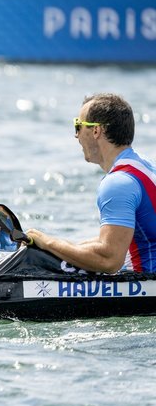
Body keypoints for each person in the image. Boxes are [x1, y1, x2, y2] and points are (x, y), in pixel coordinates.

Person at [26, 93, 156, 274]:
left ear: (96, 131)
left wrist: (48, 243)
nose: (76, 136)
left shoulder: (118, 183)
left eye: (78, 126)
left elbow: (110, 260)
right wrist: (62, 247)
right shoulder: (145, 166)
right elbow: (124, 238)